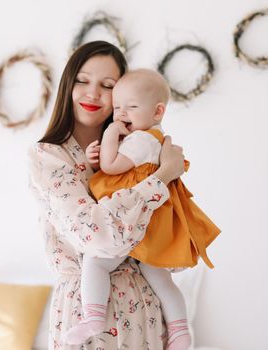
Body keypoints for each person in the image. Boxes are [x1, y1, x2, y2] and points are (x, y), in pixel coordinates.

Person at [28, 41, 186, 349]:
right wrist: (163, 177)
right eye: (83, 81)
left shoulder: (138, 150)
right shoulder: (48, 156)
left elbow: (169, 236)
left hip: (147, 311)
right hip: (88, 314)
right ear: (68, 86)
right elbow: (96, 236)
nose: (93, 93)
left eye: (108, 85)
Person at [61, 69, 221, 349]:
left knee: (96, 261)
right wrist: (97, 156)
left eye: (131, 107)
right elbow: (113, 167)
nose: (121, 114)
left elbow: (111, 167)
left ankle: (93, 316)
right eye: (118, 107)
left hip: (132, 222)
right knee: (160, 279)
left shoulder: (142, 140)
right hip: (151, 222)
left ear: (157, 111)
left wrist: (110, 133)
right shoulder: (150, 140)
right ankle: (181, 332)